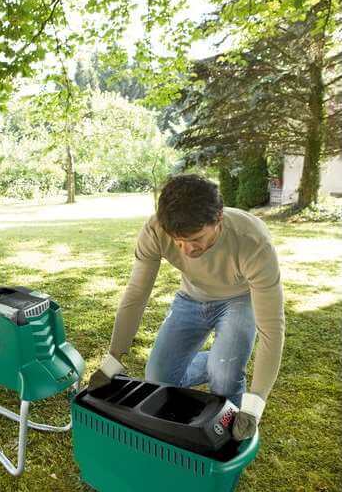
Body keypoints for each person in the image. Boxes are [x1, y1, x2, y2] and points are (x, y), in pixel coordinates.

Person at [88, 174, 285, 440]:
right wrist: (113, 359)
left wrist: (254, 404)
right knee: (157, 378)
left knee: (225, 379)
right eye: (178, 241)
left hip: (239, 299)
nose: (187, 250)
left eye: (197, 239)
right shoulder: (156, 230)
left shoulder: (252, 242)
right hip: (190, 297)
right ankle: (218, 360)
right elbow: (136, 294)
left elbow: (272, 329)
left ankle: (224, 367)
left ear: (219, 219)